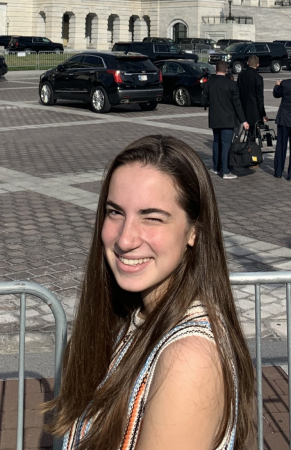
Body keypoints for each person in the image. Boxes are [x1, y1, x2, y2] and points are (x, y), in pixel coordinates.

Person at [48, 134, 255, 450]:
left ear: (193, 231)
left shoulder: (188, 359)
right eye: (115, 212)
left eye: (152, 218)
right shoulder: (131, 313)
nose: (125, 239)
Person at [204, 60, 249, 180]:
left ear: (215, 68)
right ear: (226, 69)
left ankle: (215, 167)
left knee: (216, 142)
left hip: (214, 118)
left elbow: (204, 100)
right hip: (228, 119)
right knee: (226, 145)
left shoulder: (209, 83)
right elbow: (237, 105)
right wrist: (243, 121)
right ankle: (225, 171)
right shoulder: (231, 85)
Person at [237, 54, 267, 139]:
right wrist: (263, 114)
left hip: (243, 107)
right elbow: (260, 97)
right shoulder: (258, 78)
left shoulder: (241, 75)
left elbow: (238, 91)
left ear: (247, 63)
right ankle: (252, 148)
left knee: (243, 130)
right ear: (257, 65)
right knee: (253, 132)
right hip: (254, 110)